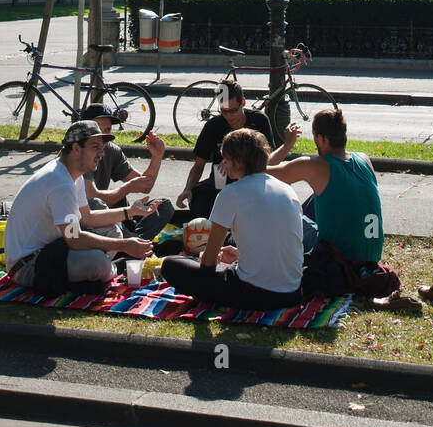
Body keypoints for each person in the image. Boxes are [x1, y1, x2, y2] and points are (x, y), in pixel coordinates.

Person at [4, 120, 154, 295]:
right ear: (76, 148)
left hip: (53, 248)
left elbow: (87, 218)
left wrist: (130, 212)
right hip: (28, 266)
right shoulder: (60, 182)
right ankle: (109, 269)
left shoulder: (74, 176)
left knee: (112, 232)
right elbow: (74, 238)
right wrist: (124, 246)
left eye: (102, 147)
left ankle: (101, 270)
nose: (101, 154)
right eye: (95, 147)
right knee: (97, 262)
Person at [162, 128, 303, 309]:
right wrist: (240, 258)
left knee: (171, 265)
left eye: (226, 159)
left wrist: (206, 260)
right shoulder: (286, 189)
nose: (224, 164)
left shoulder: (232, 192)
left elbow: (209, 262)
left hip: (255, 294)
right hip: (293, 293)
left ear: (237, 161)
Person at [267, 107, 384, 264]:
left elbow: (261, 172)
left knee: (284, 213)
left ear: (322, 139)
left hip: (338, 262)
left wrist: (288, 144)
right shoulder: (364, 160)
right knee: (320, 196)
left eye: (315, 137)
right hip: (372, 256)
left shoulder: (317, 166)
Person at [175, 80, 273, 220]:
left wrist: (234, 163)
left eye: (233, 111)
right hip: (219, 183)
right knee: (198, 197)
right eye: (224, 111)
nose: (229, 116)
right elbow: (198, 164)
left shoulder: (259, 120)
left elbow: (268, 159)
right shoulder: (213, 125)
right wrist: (187, 189)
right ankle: (207, 233)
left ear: (243, 103)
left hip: (251, 180)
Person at [83, 105, 174, 242]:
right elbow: (92, 200)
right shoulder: (78, 155)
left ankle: (130, 241)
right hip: (86, 219)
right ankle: (131, 242)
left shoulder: (111, 150)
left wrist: (156, 156)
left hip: (109, 215)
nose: (103, 138)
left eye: (107, 131)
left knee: (164, 206)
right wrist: (126, 189)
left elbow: (145, 185)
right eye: (97, 131)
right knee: (98, 203)